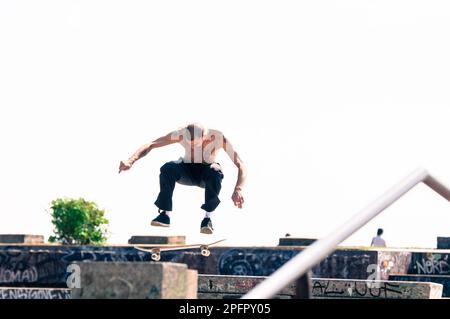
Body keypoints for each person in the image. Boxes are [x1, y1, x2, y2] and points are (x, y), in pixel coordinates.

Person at [118, 123, 247, 234]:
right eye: (189, 145)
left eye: (196, 145)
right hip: (186, 170)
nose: (192, 148)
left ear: (204, 137)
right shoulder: (180, 134)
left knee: (215, 170)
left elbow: (241, 164)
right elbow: (152, 144)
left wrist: (239, 189)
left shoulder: (218, 138)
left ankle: (207, 219)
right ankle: (165, 215)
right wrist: (131, 160)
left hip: (206, 173)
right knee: (168, 167)